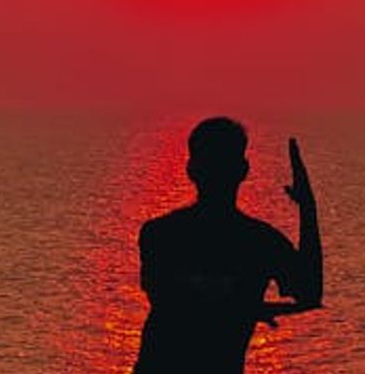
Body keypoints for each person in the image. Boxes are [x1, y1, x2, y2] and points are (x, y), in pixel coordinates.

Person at [133, 117, 323, 374]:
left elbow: (182, 304)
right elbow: (176, 303)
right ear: (243, 170)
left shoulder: (160, 233)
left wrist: (308, 208)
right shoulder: (260, 242)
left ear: (191, 169)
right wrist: (308, 209)